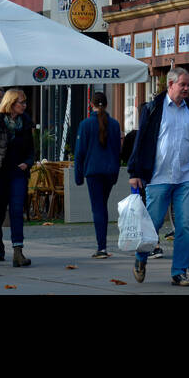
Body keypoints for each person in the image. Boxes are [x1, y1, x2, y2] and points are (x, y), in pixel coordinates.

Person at [127, 68, 189, 286]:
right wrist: (135, 172)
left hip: (185, 176)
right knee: (153, 224)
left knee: (186, 226)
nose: (187, 88)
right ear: (171, 84)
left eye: (188, 85)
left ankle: (179, 272)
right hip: (158, 177)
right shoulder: (154, 108)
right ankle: (141, 257)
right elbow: (142, 140)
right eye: (183, 84)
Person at [0, 88, 35, 267]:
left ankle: (18, 252)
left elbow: (31, 150)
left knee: (17, 212)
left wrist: (28, 162)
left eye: (25, 102)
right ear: (12, 103)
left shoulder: (25, 123)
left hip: (18, 173)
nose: (25, 106)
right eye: (22, 102)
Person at [74, 91, 121, 258]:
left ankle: (101, 247)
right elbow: (117, 150)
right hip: (109, 171)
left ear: (90, 104)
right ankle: (102, 246)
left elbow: (80, 152)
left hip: (93, 171)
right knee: (103, 206)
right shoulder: (114, 124)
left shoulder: (85, 125)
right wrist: (115, 172)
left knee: (98, 208)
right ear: (106, 104)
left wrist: (78, 175)